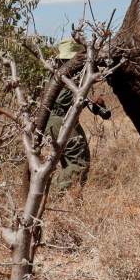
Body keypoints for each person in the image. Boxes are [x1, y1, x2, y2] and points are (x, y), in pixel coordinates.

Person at [46, 39, 110, 192]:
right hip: (60, 120)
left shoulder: (59, 73)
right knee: (79, 163)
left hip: (60, 120)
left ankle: (71, 197)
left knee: (73, 161)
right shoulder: (69, 75)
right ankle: (51, 193)